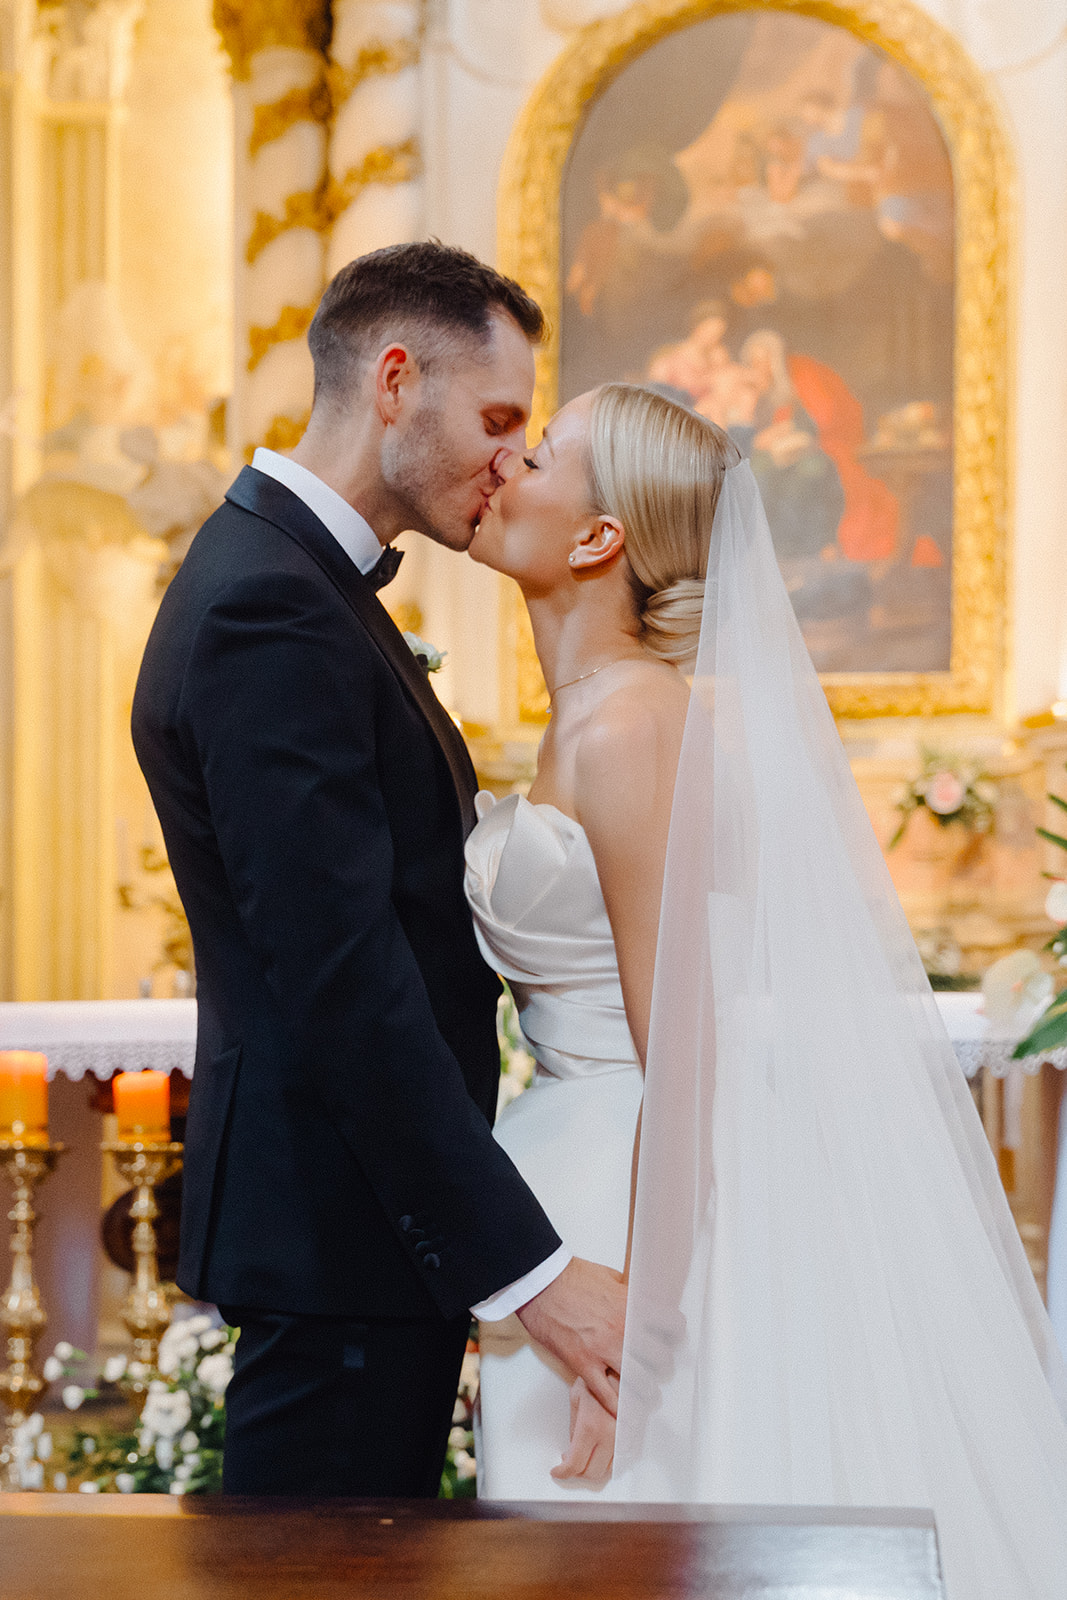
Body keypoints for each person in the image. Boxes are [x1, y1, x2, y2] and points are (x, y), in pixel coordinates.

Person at [466, 382, 1067, 1598]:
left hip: (630, 1197)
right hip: (583, 1161)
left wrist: (640, 1337)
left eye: (539, 455)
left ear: (598, 537)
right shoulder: (598, 716)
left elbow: (679, 1046)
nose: (503, 467)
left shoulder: (627, 728)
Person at [131, 243, 627, 1497]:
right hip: (336, 1232)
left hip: (360, 1231)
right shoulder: (268, 605)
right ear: (395, 380)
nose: (510, 460)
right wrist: (532, 1277)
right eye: (496, 420)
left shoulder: (297, 581)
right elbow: (340, 979)